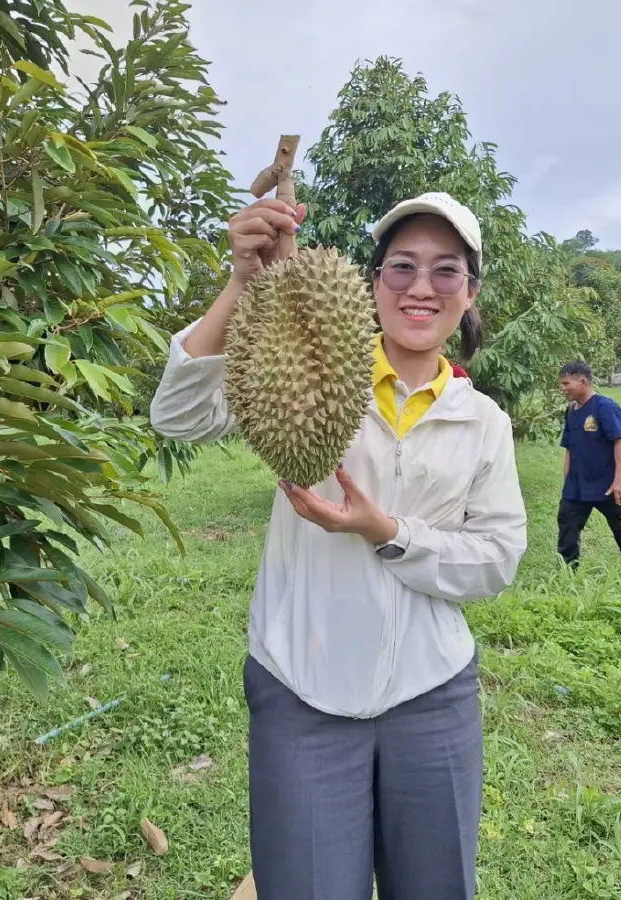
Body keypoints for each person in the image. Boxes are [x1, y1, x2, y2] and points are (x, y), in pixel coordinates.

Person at [149, 191, 528, 899]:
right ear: (373, 283)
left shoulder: (482, 421)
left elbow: (496, 559)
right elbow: (177, 415)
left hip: (432, 691)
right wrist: (244, 281)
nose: (421, 287)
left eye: (446, 271)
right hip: (301, 687)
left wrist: (386, 534)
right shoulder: (316, 363)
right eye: (401, 267)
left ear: (470, 292)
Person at [557, 360, 621, 579]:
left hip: (607, 485)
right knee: (567, 530)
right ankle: (568, 576)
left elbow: (620, 441)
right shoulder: (571, 411)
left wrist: (620, 480)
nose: (562, 389)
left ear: (582, 381)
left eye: (567, 383)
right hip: (576, 487)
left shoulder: (605, 407)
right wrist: (567, 480)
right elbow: (568, 448)